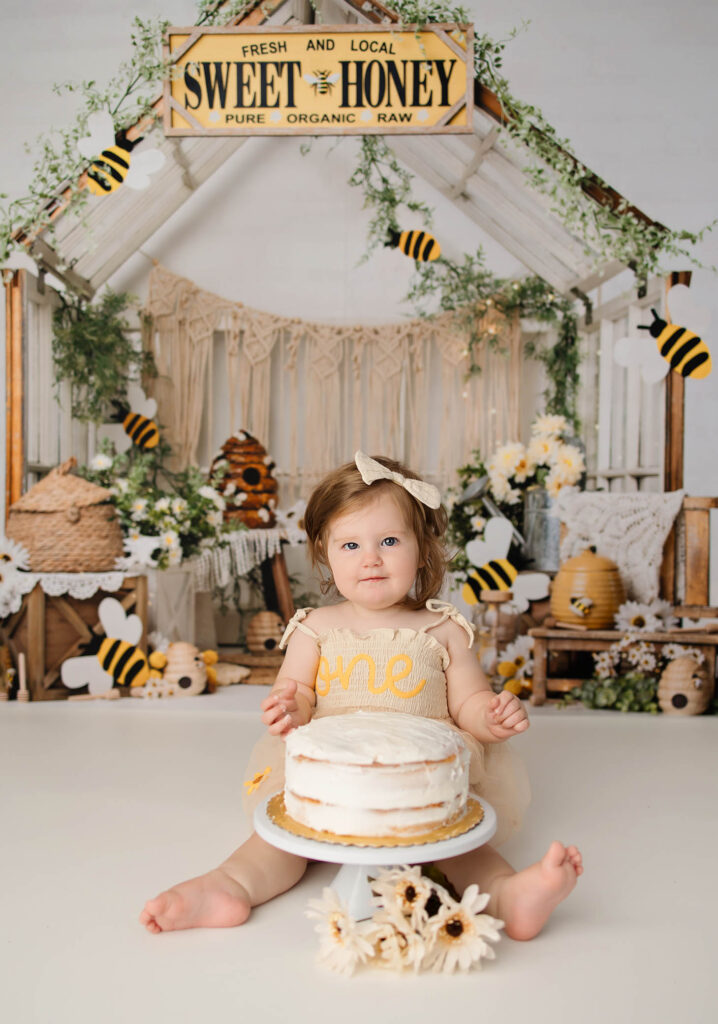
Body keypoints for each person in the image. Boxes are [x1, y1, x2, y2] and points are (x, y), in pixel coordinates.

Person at [140, 452, 582, 940]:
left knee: (451, 845)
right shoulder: (315, 627)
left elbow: (467, 704)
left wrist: (491, 717)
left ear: (422, 548)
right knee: (283, 842)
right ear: (326, 553)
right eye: (350, 544)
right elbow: (300, 693)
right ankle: (230, 885)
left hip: (416, 783)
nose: (370, 557)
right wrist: (290, 706)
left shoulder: (442, 629)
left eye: (389, 541)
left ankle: (506, 895)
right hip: (334, 777)